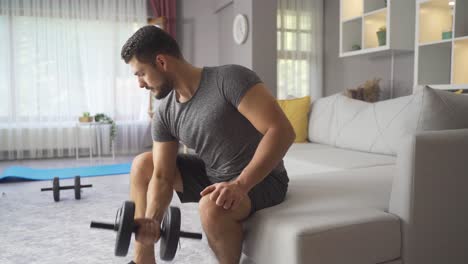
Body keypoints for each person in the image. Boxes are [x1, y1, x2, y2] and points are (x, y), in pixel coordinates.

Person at [121, 25, 295, 264]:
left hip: (262, 180)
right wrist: (152, 220)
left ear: (161, 62)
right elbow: (162, 176)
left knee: (211, 205)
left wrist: (239, 185)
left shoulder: (229, 79)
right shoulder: (165, 112)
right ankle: (143, 260)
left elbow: (282, 131)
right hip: (213, 174)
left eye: (141, 73)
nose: (140, 84)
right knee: (143, 164)